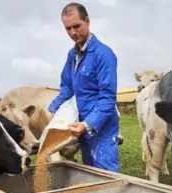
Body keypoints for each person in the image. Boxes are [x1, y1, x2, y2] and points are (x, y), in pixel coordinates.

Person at [48, 2, 120, 172]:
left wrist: (88, 124)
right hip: (81, 124)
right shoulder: (72, 55)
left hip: (101, 125)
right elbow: (67, 87)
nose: (73, 32)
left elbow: (108, 97)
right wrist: (54, 107)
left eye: (76, 26)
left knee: (105, 172)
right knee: (89, 171)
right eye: (68, 28)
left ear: (87, 21)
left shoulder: (103, 54)